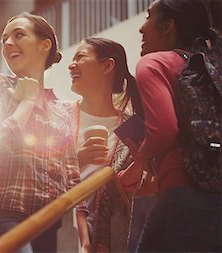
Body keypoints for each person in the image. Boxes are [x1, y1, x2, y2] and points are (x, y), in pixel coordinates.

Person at [0, 12, 85, 252]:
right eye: (3, 40)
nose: (7, 43)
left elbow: (72, 176)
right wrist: (28, 101)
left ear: (45, 45)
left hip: (52, 219)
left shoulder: (62, 111)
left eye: (18, 35)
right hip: (5, 210)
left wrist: (83, 233)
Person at [129, 0, 221, 251]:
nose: (141, 29)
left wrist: (140, 162)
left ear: (168, 25)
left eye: (148, 17)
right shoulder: (213, 65)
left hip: (184, 192)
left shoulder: (154, 63)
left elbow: (164, 130)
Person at [65, 37, 144, 253]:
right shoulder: (59, 115)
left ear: (107, 66)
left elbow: (132, 191)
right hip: (63, 230)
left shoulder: (133, 128)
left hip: (110, 241)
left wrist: (138, 169)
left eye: (80, 56)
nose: (71, 65)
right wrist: (76, 160)